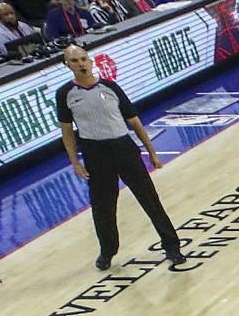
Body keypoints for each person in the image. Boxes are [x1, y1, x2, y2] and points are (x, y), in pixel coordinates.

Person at [55, 43, 186, 273]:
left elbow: (134, 121)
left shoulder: (110, 87)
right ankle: (107, 251)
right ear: (67, 65)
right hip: (95, 153)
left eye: (83, 59)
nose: (81, 63)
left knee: (149, 199)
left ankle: (172, 246)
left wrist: (152, 152)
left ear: (91, 60)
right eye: (74, 61)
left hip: (123, 147)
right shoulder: (65, 94)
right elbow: (66, 130)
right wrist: (75, 162)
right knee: (103, 207)